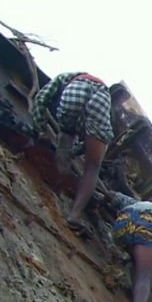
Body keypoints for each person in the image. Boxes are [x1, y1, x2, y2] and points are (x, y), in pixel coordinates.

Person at [31, 73, 128, 233]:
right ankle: (74, 215)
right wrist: (76, 152)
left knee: (66, 135)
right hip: (100, 101)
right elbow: (95, 140)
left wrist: (40, 127)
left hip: (74, 89)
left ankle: (54, 183)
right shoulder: (107, 105)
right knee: (92, 167)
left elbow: (41, 98)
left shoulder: (64, 77)